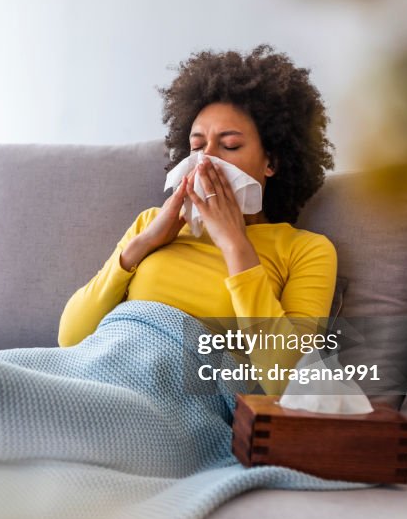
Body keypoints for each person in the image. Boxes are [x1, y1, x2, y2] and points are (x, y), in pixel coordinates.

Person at [57, 46, 338, 395]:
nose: (205, 161)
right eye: (197, 146)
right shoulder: (152, 224)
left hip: (181, 399)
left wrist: (236, 247)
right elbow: (71, 338)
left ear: (273, 162)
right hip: (99, 371)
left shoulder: (305, 250)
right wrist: (141, 245)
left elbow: (289, 381)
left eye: (230, 146)